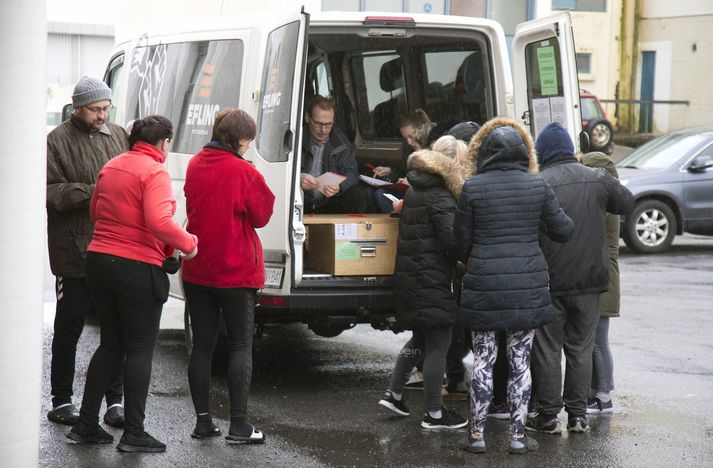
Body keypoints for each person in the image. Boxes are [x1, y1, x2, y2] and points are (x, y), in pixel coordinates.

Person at [67, 115, 198, 452]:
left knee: (111, 345)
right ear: (164, 143)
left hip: (99, 261)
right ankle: (134, 433)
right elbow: (159, 221)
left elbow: (96, 212)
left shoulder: (112, 165)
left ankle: (85, 425)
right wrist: (188, 242)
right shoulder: (154, 171)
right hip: (136, 268)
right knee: (139, 349)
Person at [454, 118, 574, 454]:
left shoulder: (473, 188)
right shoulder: (536, 186)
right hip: (527, 285)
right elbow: (564, 230)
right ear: (523, 153)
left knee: (484, 361)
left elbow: (459, 242)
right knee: (520, 362)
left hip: (483, 286)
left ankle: (477, 435)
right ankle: (518, 438)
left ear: (488, 153)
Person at [526, 122, 633, 435]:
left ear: (543, 152)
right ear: (570, 149)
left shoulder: (538, 182)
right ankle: (577, 416)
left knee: (546, 349)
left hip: (550, 281)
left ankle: (547, 416)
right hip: (590, 282)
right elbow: (627, 203)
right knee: (580, 348)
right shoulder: (597, 178)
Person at [181, 109, 275, 444]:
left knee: (202, 347)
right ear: (240, 139)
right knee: (239, 346)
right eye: (248, 140)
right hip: (235, 271)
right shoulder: (241, 170)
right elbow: (262, 215)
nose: (249, 145)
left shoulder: (194, 164)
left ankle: (203, 421)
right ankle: (239, 425)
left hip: (198, 268)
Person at [46, 76, 128, 427]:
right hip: (73, 250)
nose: (102, 116)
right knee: (69, 328)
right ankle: (62, 400)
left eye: (106, 109)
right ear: (78, 107)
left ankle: (115, 401)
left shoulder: (119, 134)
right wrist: (94, 191)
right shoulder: (56, 140)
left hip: (114, 247)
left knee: (117, 329)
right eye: (96, 110)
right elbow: (49, 192)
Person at [377, 135, 468, 430]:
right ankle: (434, 413)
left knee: (419, 340)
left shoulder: (417, 188)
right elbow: (452, 243)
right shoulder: (440, 195)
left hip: (414, 277)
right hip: (433, 280)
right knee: (439, 343)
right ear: (452, 163)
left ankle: (394, 393)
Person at [581, 151, 621, 414]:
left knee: (597, 341)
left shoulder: (605, 201)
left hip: (603, 278)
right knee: (596, 340)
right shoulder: (609, 198)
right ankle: (597, 393)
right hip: (606, 276)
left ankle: (603, 396)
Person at [300, 95, 368, 213]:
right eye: (318, 123)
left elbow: (352, 173)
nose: (323, 130)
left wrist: (340, 186)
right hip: (300, 199)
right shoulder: (296, 139)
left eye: (328, 124)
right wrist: (298, 178)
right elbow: (278, 170)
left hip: (329, 201)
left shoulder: (340, 142)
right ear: (307, 118)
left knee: (358, 194)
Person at [370, 109, 436, 213]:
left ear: (420, 131)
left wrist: (413, 183)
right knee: (380, 193)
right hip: (410, 192)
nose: (408, 142)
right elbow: (404, 170)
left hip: (427, 195)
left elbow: (435, 181)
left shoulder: (435, 147)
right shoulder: (409, 149)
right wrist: (390, 171)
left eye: (410, 136)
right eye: (405, 138)